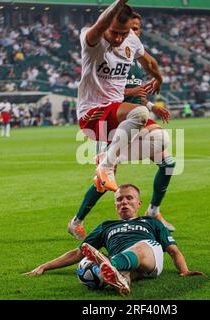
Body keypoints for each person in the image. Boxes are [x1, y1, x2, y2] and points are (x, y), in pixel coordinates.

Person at [68, 11, 175, 241]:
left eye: (135, 31)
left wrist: (152, 106)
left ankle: (154, 211)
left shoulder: (135, 63)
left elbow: (138, 99)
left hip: (135, 120)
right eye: (129, 30)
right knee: (104, 181)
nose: (131, 35)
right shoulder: (109, 54)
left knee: (167, 159)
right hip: (111, 123)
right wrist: (132, 95)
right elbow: (110, 93)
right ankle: (77, 221)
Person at [25, 184, 203, 296]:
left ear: (139, 203)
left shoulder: (151, 222)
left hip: (150, 254)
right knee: (121, 275)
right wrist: (44, 266)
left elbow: (173, 250)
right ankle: (121, 282)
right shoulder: (106, 226)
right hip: (128, 265)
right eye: (119, 199)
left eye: (129, 198)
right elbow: (78, 253)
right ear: (115, 205)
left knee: (139, 248)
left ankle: (110, 264)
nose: (124, 202)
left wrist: (184, 270)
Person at [76, 0, 170, 193]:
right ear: (106, 26)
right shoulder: (92, 39)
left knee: (161, 140)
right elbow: (101, 24)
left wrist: (158, 78)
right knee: (140, 113)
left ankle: (108, 158)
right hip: (92, 115)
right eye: (114, 32)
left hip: (116, 116)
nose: (119, 39)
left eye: (124, 33)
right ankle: (107, 165)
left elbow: (150, 63)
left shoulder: (131, 40)